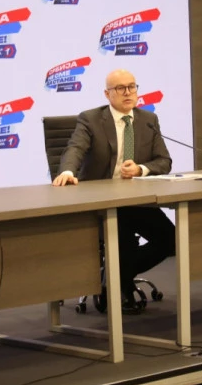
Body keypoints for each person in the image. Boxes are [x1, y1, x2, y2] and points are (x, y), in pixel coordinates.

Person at [52, 69, 175, 314]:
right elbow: (75, 149)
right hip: (101, 203)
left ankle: (114, 278)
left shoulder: (148, 119)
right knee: (123, 237)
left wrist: (141, 169)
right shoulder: (91, 119)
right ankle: (119, 285)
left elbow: (164, 161)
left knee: (171, 239)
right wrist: (67, 171)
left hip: (136, 200)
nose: (128, 92)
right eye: (120, 88)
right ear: (107, 94)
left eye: (132, 86)